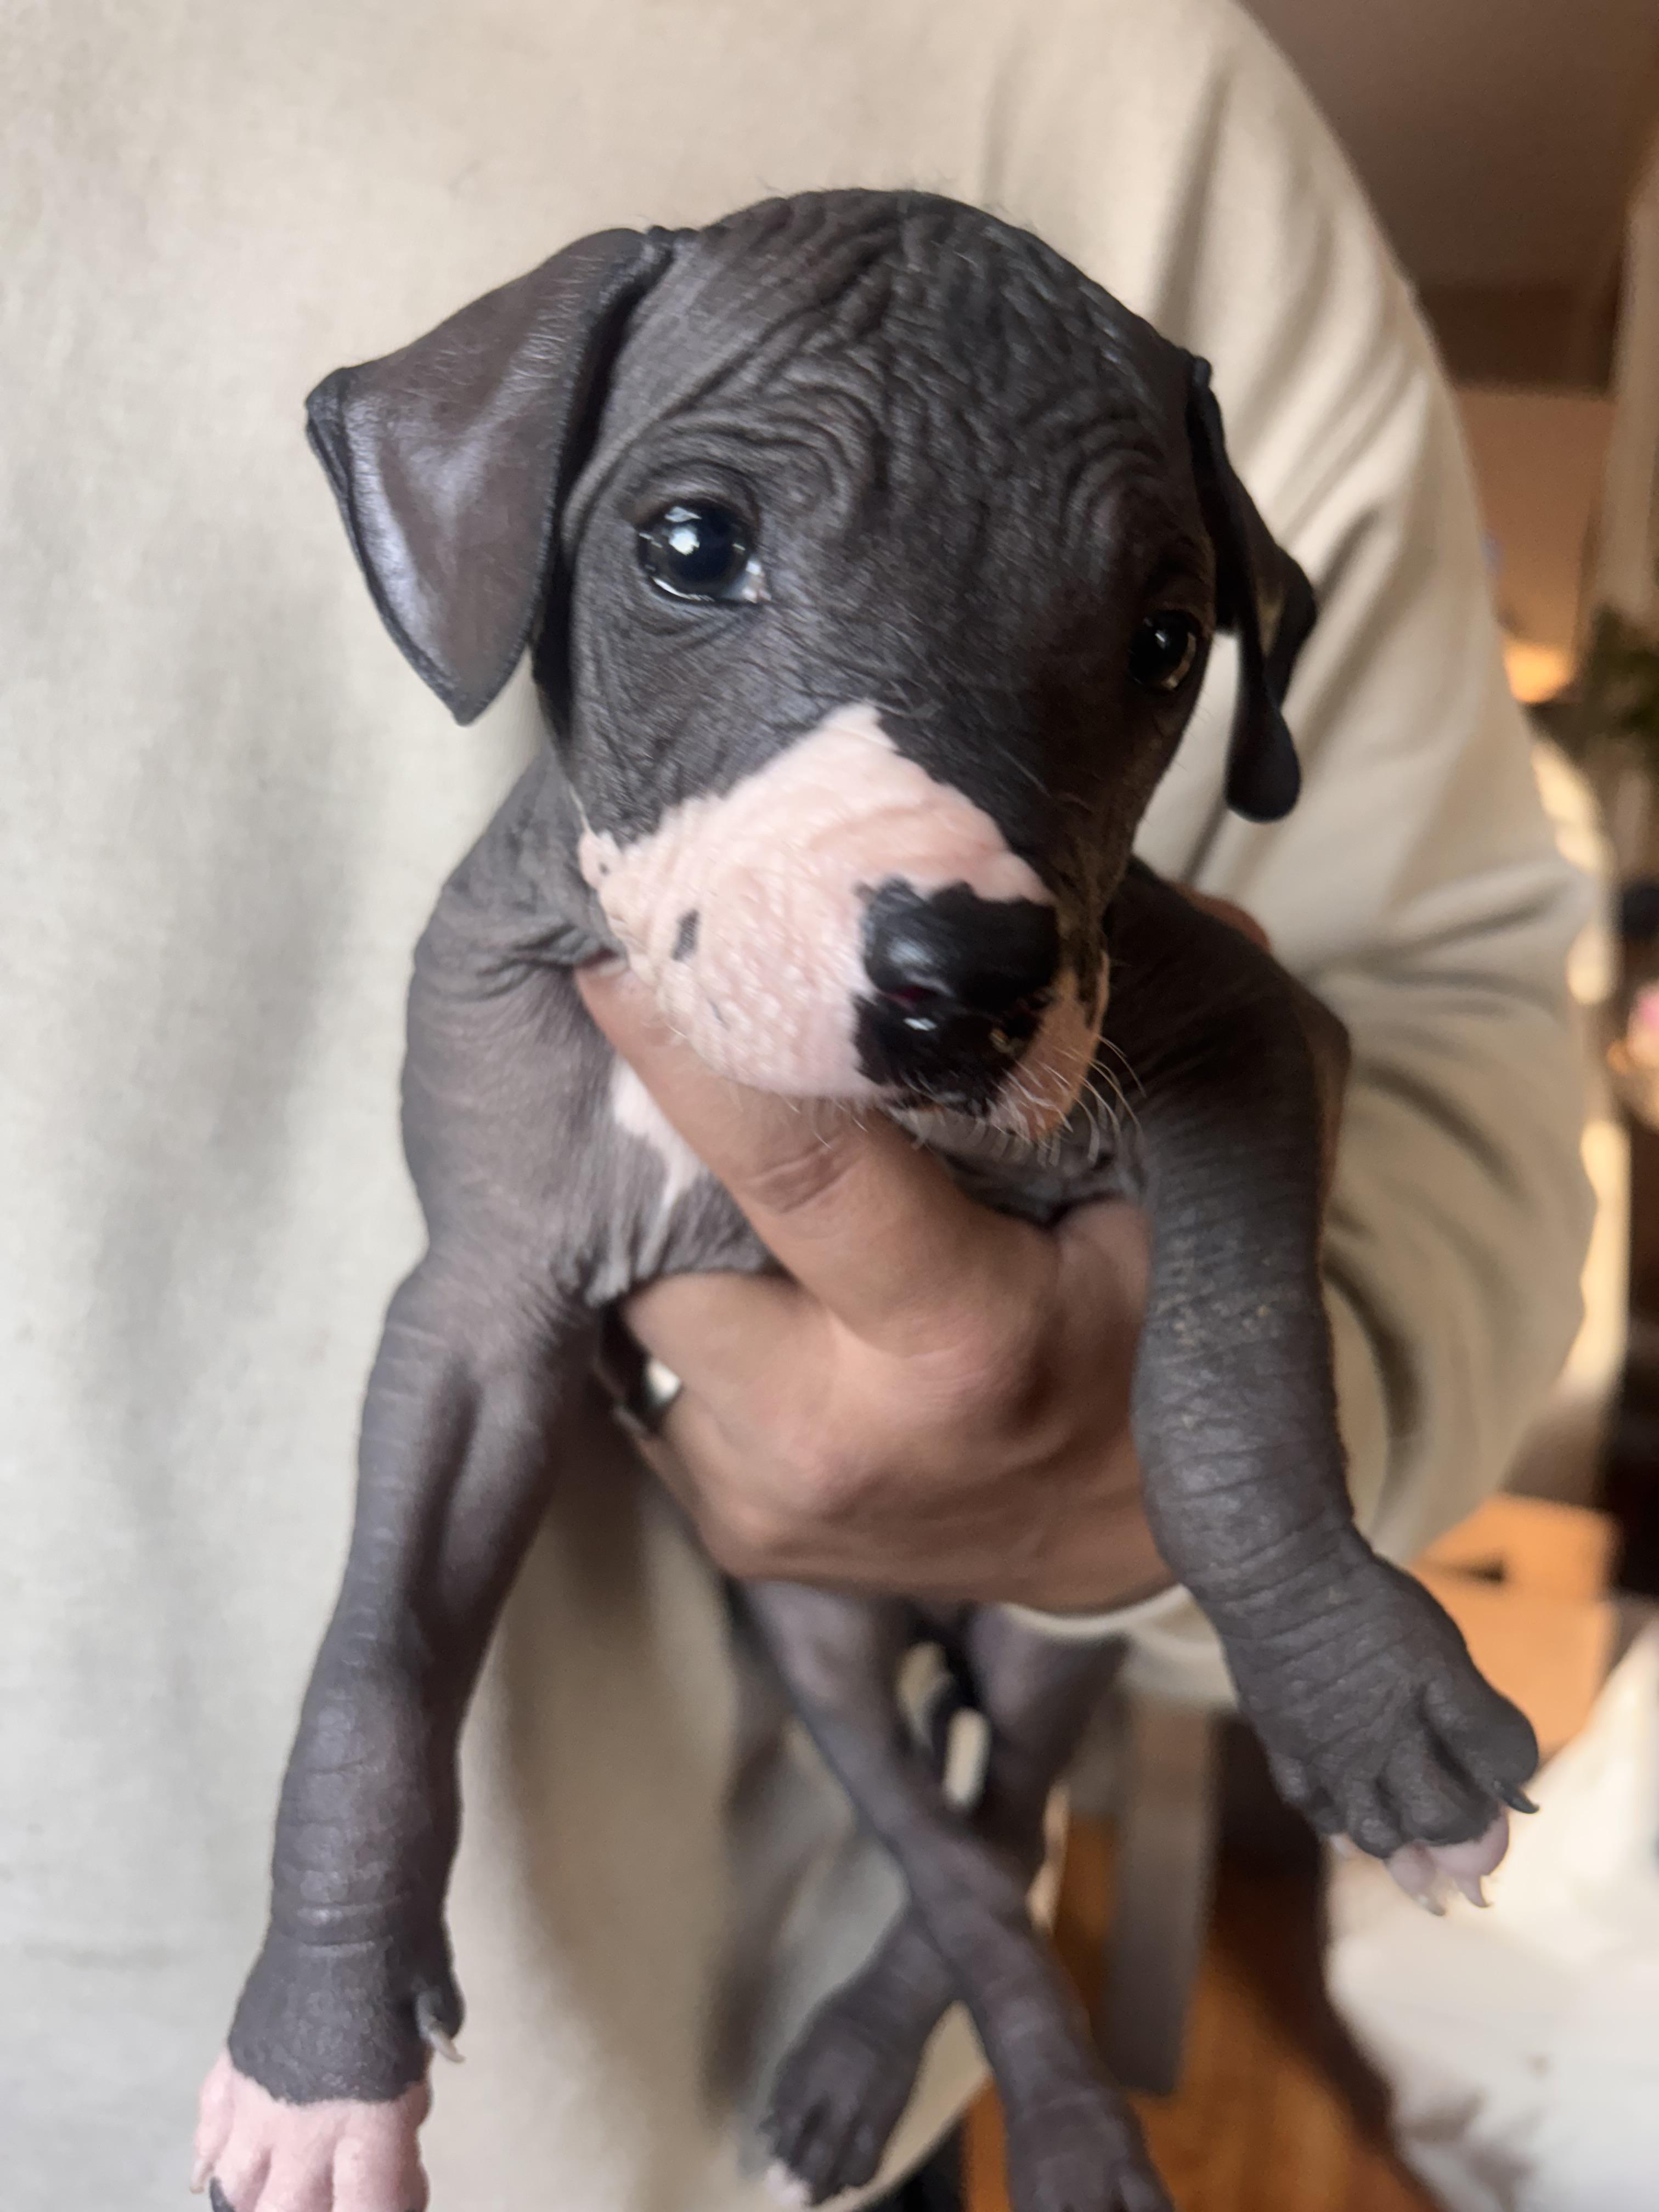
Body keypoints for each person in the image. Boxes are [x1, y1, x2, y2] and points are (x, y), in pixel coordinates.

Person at [0, 1, 1593, 2207]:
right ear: (495, 503)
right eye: (699, 547)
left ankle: (985, 2017)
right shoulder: (512, 954)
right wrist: (344, 1931)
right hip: (153, 1939)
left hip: (723, 2095)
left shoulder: (1128, 73)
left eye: (1149, 651)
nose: (954, 889)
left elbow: (1327, 1028)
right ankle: (984, 2023)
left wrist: (1239, 1535)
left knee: (1010, 1690)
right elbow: (463, 1379)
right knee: (814, 1669)